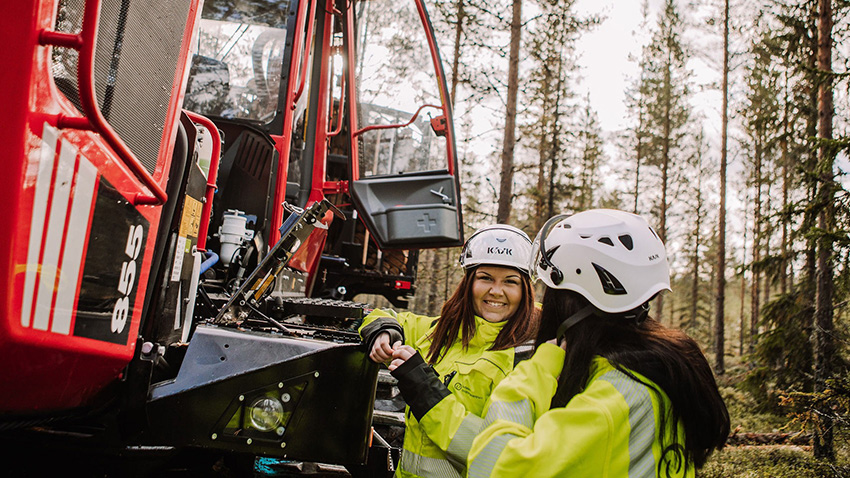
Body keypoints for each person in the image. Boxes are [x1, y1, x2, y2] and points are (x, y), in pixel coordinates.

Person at [460, 209, 730, 477]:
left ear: (569, 302)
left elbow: (490, 466)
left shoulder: (607, 403)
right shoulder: (663, 369)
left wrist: (535, 373)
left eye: (550, 290)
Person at [360, 225, 539, 478]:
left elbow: (494, 452)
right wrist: (384, 331)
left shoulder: (527, 358)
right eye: (485, 278)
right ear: (469, 283)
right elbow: (379, 315)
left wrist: (423, 388)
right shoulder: (441, 331)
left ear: (525, 291)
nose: (496, 291)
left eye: (510, 281)